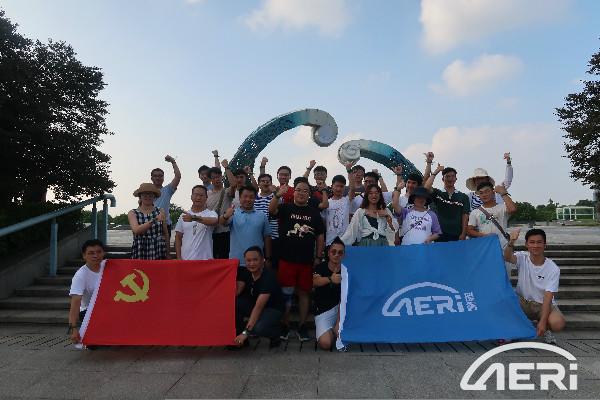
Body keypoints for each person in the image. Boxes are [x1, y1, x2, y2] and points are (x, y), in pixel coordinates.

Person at [269, 177, 325, 341]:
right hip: (286, 260)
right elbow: (271, 210)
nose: (301, 193)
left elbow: (320, 236)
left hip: (306, 261)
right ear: (293, 192)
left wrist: (318, 256)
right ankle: (285, 325)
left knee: (304, 293)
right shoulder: (285, 208)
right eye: (298, 190)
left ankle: (302, 326)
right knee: (286, 294)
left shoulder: (314, 213)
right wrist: (277, 195)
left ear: (309, 195)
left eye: (305, 191)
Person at [503, 228, 565, 343]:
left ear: (545, 245)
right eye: (532, 242)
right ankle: (514, 330)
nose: (535, 245)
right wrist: (511, 242)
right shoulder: (522, 257)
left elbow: (548, 297)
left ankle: (545, 329)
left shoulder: (553, 268)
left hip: (542, 304)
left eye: (539, 242)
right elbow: (507, 257)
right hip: (522, 302)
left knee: (558, 323)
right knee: (503, 300)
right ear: (527, 244)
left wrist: (543, 321)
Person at [234, 246, 285, 349]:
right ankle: (241, 340)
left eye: (255, 260)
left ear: (262, 260)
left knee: (258, 328)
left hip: (272, 308)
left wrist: (245, 332)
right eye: (248, 260)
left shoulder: (269, 277)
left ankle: (276, 334)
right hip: (254, 305)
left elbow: (258, 307)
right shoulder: (246, 273)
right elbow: (236, 292)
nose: (252, 263)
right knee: (235, 303)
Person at [467, 181, 517, 275]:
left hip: (503, 247)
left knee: (504, 275)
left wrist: (503, 193)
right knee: (487, 274)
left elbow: (513, 209)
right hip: (485, 248)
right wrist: (483, 235)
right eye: (481, 193)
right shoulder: (475, 212)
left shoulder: (502, 207)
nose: (484, 195)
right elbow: (469, 230)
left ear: (493, 192)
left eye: (487, 191)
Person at [220, 185, 272, 267]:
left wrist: (268, 258)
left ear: (255, 198)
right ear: (240, 198)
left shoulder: (262, 215)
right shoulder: (233, 213)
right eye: (245, 196)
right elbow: (222, 222)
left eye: (251, 197)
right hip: (236, 262)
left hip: (256, 261)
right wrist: (226, 216)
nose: (248, 199)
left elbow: (267, 237)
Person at [68, 239, 105, 344]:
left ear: (103, 253)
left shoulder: (109, 266)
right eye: (91, 253)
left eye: (99, 252)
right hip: (89, 311)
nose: (96, 256)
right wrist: (73, 329)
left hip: (109, 308)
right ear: (84, 256)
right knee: (93, 344)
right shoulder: (80, 276)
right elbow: (75, 304)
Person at [424, 163, 470, 242]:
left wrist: (463, 233)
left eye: (452, 176)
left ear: (456, 179)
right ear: (443, 179)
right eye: (447, 176)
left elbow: (465, 215)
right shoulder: (438, 193)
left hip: (457, 234)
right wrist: (436, 171)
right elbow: (426, 187)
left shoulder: (463, 197)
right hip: (439, 235)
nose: (450, 179)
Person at [313, 238, 345, 350]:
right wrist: (330, 279)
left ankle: (337, 329)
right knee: (325, 344)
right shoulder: (320, 267)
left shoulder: (347, 270)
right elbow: (314, 282)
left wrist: (339, 321)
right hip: (324, 311)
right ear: (328, 253)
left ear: (344, 255)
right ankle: (332, 331)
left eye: (340, 252)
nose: (336, 255)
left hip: (342, 311)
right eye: (333, 252)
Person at [174, 185, 218, 260]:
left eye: (201, 195)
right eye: (196, 195)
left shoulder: (211, 213)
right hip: (186, 259)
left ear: (206, 197)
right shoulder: (183, 215)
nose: (198, 198)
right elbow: (178, 237)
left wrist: (193, 218)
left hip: (205, 260)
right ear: (191, 196)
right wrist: (178, 258)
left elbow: (214, 221)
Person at [128, 183, 169, 260]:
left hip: (158, 249)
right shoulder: (132, 213)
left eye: (150, 195)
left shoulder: (160, 211)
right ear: (140, 196)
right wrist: (155, 220)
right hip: (140, 250)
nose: (148, 197)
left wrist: (168, 253)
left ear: (154, 197)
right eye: (145, 194)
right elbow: (136, 230)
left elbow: (165, 233)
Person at [206, 167, 234, 259]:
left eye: (218, 177)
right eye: (213, 178)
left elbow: (234, 185)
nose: (216, 179)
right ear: (210, 180)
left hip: (224, 231)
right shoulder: (207, 194)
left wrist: (227, 168)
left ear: (222, 177)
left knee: (224, 258)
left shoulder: (227, 191)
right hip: (210, 232)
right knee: (211, 259)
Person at [254, 173, 280, 269]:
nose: (265, 183)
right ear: (259, 184)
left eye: (268, 181)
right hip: (258, 237)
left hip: (274, 236)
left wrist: (276, 193)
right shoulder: (254, 199)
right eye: (263, 181)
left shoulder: (277, 197)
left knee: (273, 266)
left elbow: (280, 211)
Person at [151, 155, 181, 235]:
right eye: (155, 176)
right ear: (151, 178)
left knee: (165, 244)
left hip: (165, 225)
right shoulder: (146, 191)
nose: (158, 178)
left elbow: (178, 176)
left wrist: (173, 162)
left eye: (160, 176)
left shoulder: (168, 190)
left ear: (163, 178)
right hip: (149, 224)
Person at [322, 174, 352, 248]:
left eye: (341, 186)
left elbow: (353, 188)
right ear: (332, 186)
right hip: (330, 241)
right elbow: (323, 222)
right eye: (337, 186)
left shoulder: (347, 200)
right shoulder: (327, 203)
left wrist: (349, 171)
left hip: (346, 242)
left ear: (344, 188)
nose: (339, 189)